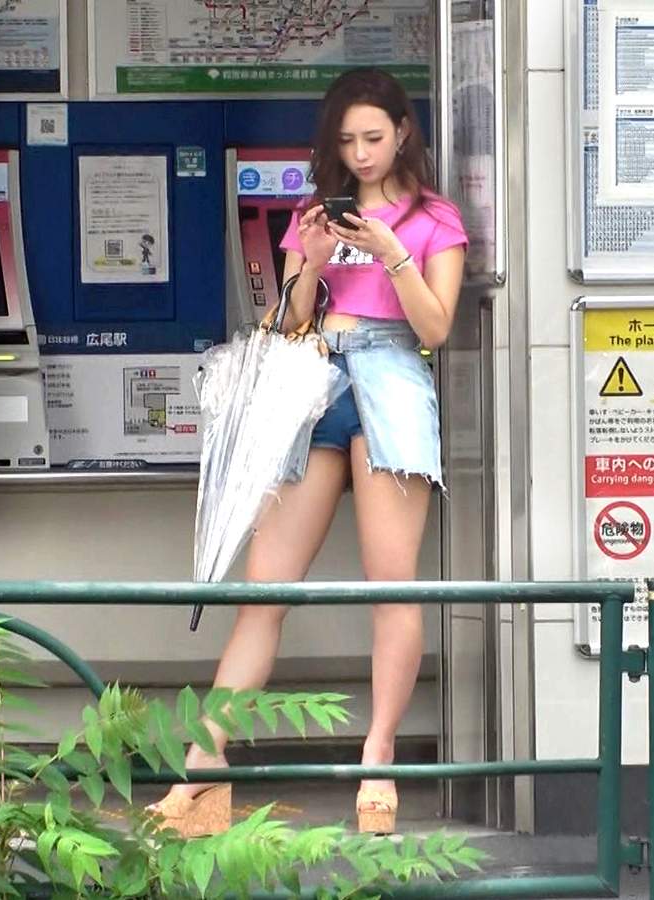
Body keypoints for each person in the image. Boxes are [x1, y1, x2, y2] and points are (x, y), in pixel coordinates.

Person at [149, 67, 468, 838]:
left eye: (374, 137)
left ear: (403, 133)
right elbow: (287, 321)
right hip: (314, 381)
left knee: (392, 587)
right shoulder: (311, 214)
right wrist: (316, 260)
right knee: (265, 590)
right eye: (347, 140)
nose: (361, 154)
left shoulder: (435, 219)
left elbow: (436, 328)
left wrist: (392, 251)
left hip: (392, 380)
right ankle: (203, 767)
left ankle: (378, 761)